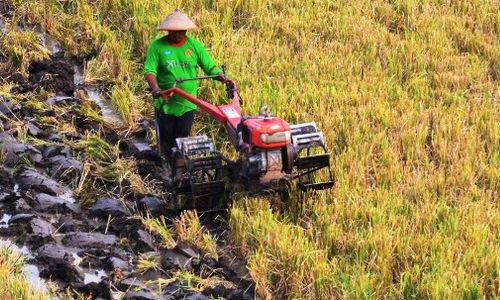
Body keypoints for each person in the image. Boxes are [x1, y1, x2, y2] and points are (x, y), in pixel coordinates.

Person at [144, 9, 227, 177]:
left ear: (185, 30)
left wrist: (221, 76)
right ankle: (170, 167)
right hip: (166, 103)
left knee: (181, 139)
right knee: (167, 141)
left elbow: (210, 67)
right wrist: (155, 89)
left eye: (179, 32)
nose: (175, 35)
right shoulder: (157, 47)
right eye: (172, 32)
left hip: (188, 103)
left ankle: (178, 175)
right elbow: (149, 71)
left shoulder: (195, 46)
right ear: (167, 31)